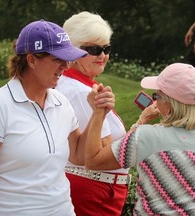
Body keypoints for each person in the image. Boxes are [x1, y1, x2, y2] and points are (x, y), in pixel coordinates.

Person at [0, 19, 115, 216]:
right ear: (32, 60)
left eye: (67, 58)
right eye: (57, 59)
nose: (65, 65)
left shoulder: (61, 102)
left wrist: (98, 114)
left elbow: (79, 155)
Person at [85, 63, 195, 215]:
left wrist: (98, 113)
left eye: (157, 96)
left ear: (170, 104)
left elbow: (93, 160)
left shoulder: (143, 137)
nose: (155, 100)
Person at [55, 11, 129, 216]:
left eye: (106, 48)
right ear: (73, 51)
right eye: (95, 49)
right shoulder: (80, 91)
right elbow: (97, 154)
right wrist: (142, 140)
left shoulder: (73, 84)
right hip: (94, 192)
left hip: (93, 187)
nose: (103, 55)